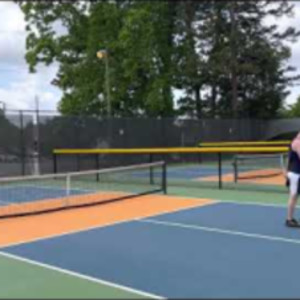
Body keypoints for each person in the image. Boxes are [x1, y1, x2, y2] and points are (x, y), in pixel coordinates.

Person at [286, 132, 300, 227]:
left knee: (294, 196)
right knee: (293, 196)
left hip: (295, 173)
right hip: (295, 174)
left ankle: (289, 219)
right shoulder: (297, 143)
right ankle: (289, 219)